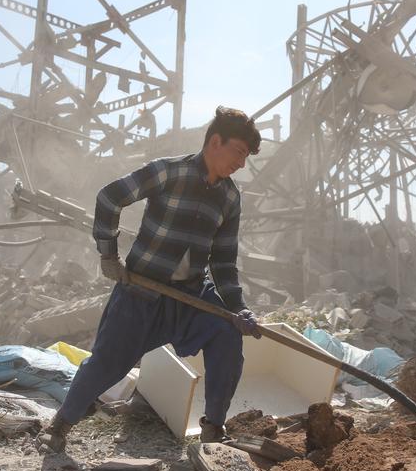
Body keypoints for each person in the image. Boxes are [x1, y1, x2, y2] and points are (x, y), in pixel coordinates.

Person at [36, 106, 263, 453]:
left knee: (227, 335)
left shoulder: (230, 197)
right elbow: (109, 197)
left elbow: (224, 262)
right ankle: (61, 424)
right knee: (108, 362)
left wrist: (238, 309)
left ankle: (214, 430)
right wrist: (108, 254)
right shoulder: (168, 172)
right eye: (239, 153)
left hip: (190, 297)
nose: (241, 164)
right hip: (142, 291)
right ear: (215, 141)